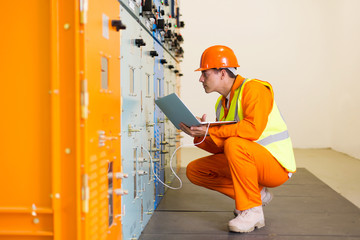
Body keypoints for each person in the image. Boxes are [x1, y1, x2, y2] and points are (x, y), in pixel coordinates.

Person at [179, 45, 296, 233]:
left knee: (235, 144)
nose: (201, 79)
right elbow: (222, 147)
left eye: (205, 73)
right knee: (196, 170)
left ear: (222, 73)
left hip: (276, 165)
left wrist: (210, 132)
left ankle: (252, 210)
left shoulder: (254, 89)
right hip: (248, 159)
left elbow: (252, 130)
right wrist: (199, 134)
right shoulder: (221, 103)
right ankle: (257, 195)